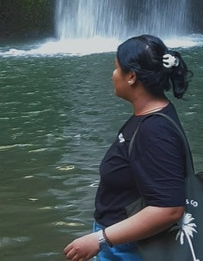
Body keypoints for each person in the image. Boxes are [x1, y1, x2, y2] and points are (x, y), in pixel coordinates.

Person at [63, 34, 193, 261]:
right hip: (121, 244)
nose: (112, 75)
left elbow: (169, 208)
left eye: (116, 68)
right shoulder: (151, 117)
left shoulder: (155, 131)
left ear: (131, 76)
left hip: (132, 250)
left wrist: (100, 239)